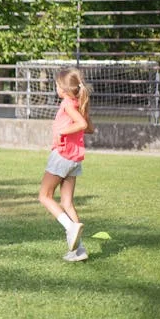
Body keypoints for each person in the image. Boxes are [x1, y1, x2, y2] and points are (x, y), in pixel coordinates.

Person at [38, 67, 94, 262]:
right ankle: (79, 250)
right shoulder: (80, 102)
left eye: (56, 85)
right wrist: (74, 127)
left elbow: (83, 125)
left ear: (62, 88)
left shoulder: (68, 104)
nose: (55, 88)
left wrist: (62, 132)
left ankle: (70, 227)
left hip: (62, 155)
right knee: (67, 203)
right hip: (74, 158)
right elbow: (90, 128)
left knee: (44, 196)